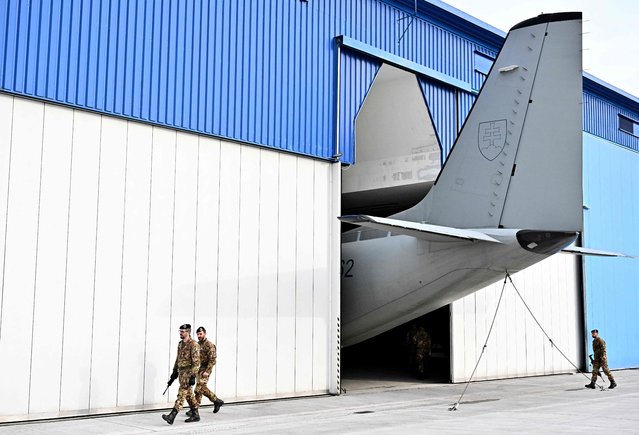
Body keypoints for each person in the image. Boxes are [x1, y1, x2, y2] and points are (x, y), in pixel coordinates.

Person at [162, 324, 201, 425]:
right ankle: (195, 414)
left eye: (182, 332)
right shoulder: (180, 344)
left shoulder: (194, 344)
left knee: (182, 393)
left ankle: (172, 415)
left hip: (188, 373)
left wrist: (193, 376)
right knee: (189, 394)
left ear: (188, 332)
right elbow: (178, 358)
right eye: (180, 331)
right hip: (181, 373)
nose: (180, 333)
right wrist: (174, 372)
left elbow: (196, 362)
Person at [187, 326, 224, 416]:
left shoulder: (209, 345)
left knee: (199, 388)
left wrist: (207, 370)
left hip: (206, 368)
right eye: (198, 334)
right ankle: (194, 409)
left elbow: (213, 359)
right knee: (199, 389)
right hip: (199, 369)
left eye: (201, 334)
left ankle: (216, 400)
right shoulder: (198, 344)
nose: (199, 335)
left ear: (205, 334)